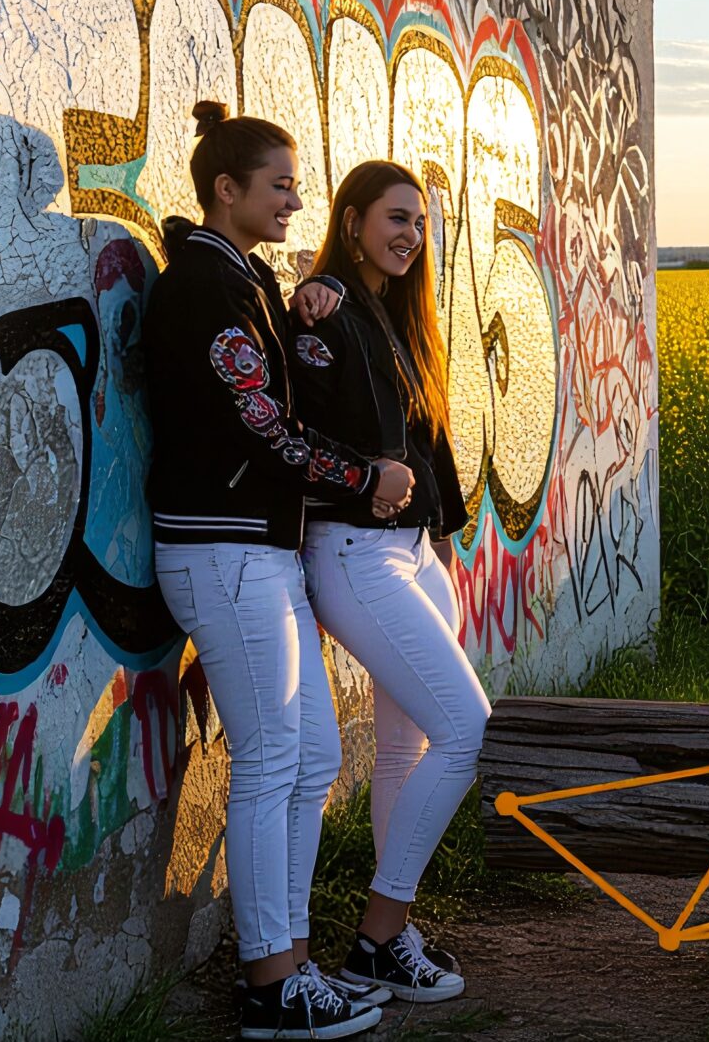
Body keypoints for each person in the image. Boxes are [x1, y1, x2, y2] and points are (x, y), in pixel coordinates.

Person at [142, 102, 411, 1040]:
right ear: (228, 189)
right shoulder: (204, 293)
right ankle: (269, 982)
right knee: (266, 763)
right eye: (282, 184)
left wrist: (310, 301)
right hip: (222, 553)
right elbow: (265, 430)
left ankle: (291, 960)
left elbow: (274, 390)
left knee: (315, 757)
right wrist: (366, 474)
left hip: (261, 552)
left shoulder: (245, 280)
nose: (297, 198)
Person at [285, 161, 485, 1005]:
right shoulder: (323, 311)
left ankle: (389, 939)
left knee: (406, 746)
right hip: (355, 551)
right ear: (354, 216)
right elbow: (294, 415)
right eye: (395, 218)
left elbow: (426, 442)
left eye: (420, 224)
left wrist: (444, 547)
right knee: (468, 730)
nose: (409, 235)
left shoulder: (403, 319)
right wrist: (308, 293)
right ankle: (375, 930)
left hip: (414, 553)